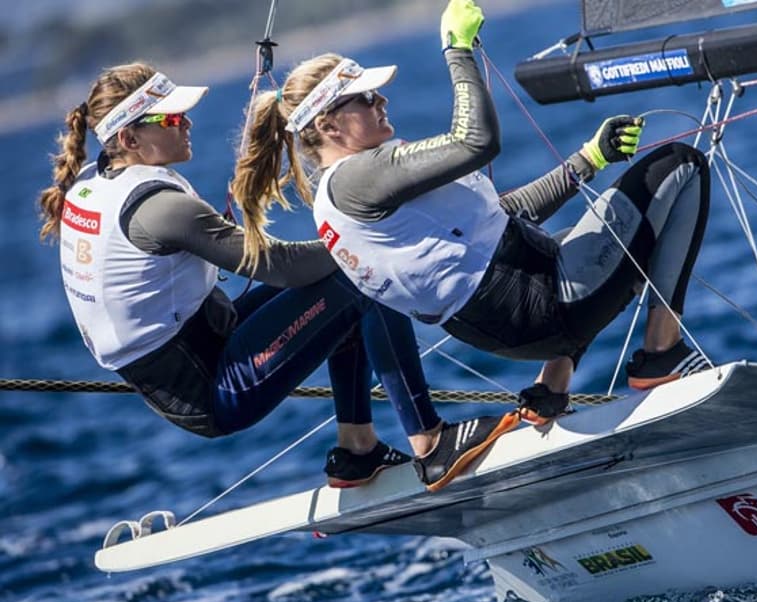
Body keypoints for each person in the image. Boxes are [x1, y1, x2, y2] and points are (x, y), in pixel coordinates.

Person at [232, 0, 711, 485]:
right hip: (541, 305)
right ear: (328, 126)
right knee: (681, 164)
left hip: (511, 320)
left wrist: (589, 159)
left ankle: (551, 388)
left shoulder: (342, 197)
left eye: (377, 95)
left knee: (590, 236)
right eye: (366, 99)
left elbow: (504, 218)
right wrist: (457, 50)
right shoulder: (360, 177)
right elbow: (476, 141)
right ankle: (660, 357)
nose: (382, 103)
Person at [37, 61, 517, 493]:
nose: (186, 123)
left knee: (345, 285)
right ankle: (431, 446)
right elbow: (281, 267)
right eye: (170, 118)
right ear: (128, 139)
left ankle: (358, 452)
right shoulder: (160, 210)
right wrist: (365, 237)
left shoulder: (97, 181)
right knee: (361, 278)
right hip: (209, 389)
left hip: (199, 347)